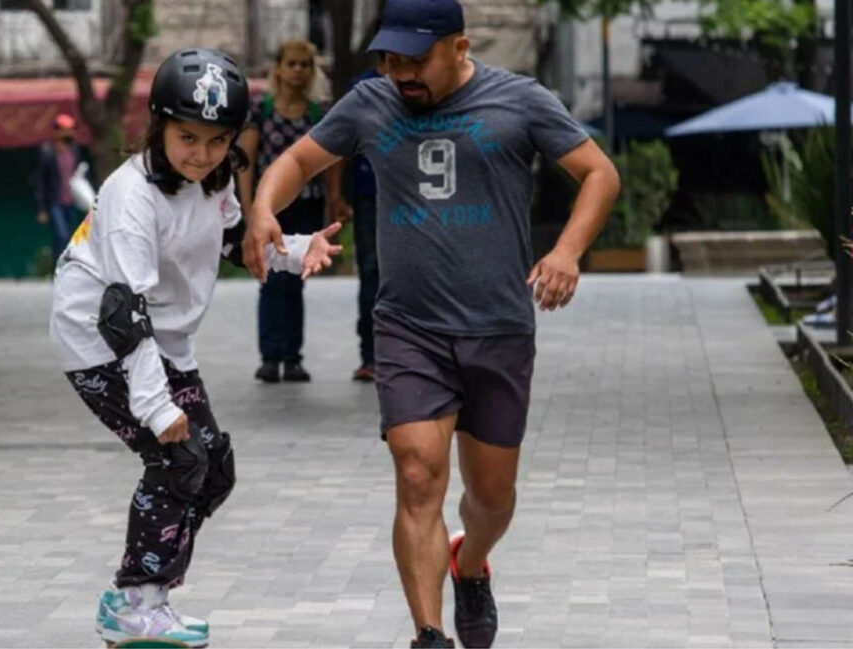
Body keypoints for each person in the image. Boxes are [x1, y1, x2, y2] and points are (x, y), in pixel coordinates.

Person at [241, 0, 620, 646]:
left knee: (492, 495)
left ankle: (470, 562)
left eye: (415, 60)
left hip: (498, 327)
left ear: (460, 46)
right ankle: (429, 634)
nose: (400, 73)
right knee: (417, 474)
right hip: (408, 326)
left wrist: (565, 251)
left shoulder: (519, 101)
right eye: (390, 59)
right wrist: (263, 209)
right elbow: (297, 161)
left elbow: (599, 174)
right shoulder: (370, 103)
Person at [49, 49, 341, 647]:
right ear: (157, 125)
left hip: (161, 336)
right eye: (187, 137)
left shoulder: (213, 180)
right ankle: (136, 599)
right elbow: (123, 312)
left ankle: (139, 596)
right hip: (98, 337)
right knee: (178, 460)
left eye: (216, 141)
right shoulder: (133, 196)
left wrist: (296, 248)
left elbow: (235, 239)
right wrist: (157, 408)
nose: (201, 153)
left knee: (213, 471)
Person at [238, 40, 345, 383]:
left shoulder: (319, 112)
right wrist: (249, 208)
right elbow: (246, 162)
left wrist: (334, 200)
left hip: (308, 202)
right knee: (269, 278)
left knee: (297, 279)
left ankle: (293, 356)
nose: (298, 71)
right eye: (292, 64)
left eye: (304, 65)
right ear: (279, 68)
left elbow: (330, 165)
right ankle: (270, 355)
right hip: (270, 207)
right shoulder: (261, 110)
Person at [336, 61, 386, 383]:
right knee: (371, 271)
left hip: (413, 195)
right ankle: (370, 355)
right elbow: (338, 145)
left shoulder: (425, 83)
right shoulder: (363, 89)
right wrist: (336, 196)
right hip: (368, 194)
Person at [35, 112, 89, 266]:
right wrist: (41, 209)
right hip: (55, 201)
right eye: (64, 129)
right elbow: (41, 182)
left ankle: (67, 267)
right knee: (61, 234)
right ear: (57, 131)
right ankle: (58, 267)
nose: (68, 132)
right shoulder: (47, 152)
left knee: (70, 236)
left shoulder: (74, 150)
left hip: (70, 200)